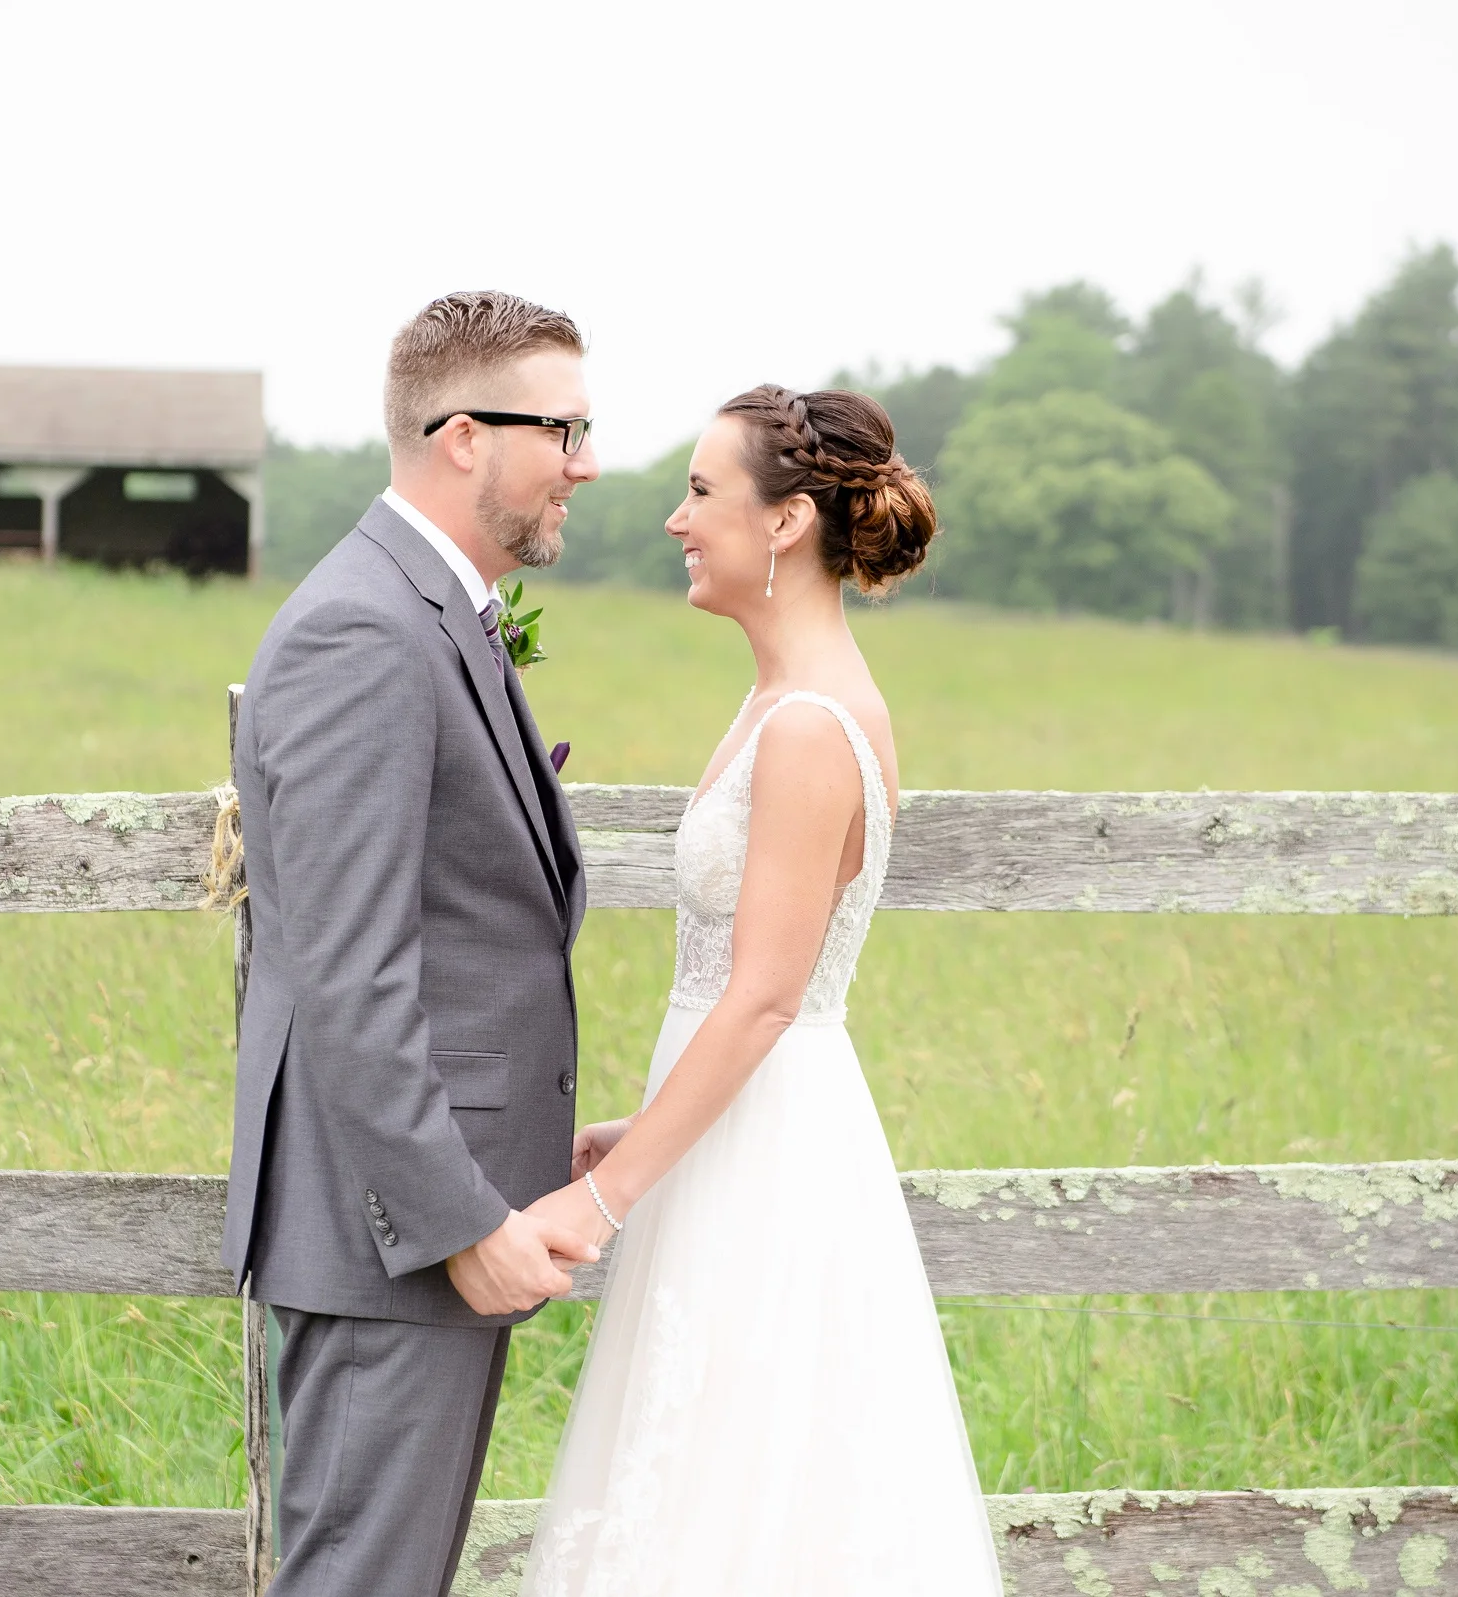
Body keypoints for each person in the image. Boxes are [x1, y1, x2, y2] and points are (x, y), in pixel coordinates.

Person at [518, 386, 1002, 1594]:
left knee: (744, 1489)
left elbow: (766, 999)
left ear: (784, 524)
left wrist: (606, 1199)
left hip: (766, 1150)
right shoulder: (778, 700)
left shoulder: (807, 726)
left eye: (700, 493)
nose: (678, 521)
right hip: (734, 1127)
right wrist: (653, 1126)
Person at [223, 291, 600, 1597]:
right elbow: (350, 973)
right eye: (564, 429)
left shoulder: (434, 613)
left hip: (431, 1226)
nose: (587, 462)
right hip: (393, 1239)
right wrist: (456, 1221)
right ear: (461, 436)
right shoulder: (363, 631)